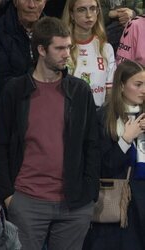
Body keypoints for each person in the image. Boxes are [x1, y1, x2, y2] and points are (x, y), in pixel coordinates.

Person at [0, 16, 100, 250]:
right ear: (41, 49)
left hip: (74, 203)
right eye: (59, 48)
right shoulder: (15, 90)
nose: (66, 54)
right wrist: (9, 195)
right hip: (26, 199)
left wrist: (90, 193)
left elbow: (92, 144)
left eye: (69, 47)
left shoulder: (80, 91)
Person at [83, 60, 145, 250]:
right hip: (117, 203)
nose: (144, 90)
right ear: (121, 86)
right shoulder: (104, 117)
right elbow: (104, 165)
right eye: (138, 84)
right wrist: (126, 139)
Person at [0, 0, 47, 103]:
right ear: (15, 2)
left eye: (38, 0)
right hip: (12, 106)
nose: (31, 5)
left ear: (45, 2)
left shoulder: (53, 31)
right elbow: (3, 83)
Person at [62, 0, 116, 108]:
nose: (89, 15)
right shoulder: (62, 48)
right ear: (72, 14)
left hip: (98, 116)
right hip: (69, 115)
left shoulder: (106, 48)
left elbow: (110, 94)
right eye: (82, 10)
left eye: (93, 9)